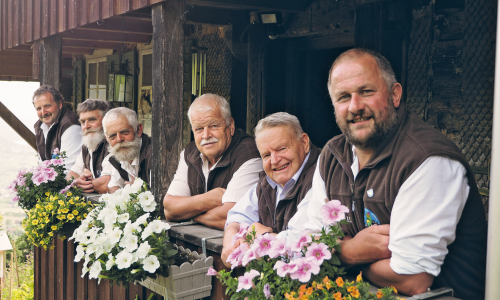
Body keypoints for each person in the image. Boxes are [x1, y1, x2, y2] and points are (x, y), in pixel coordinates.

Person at [304, 48, 486, 299]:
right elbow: (309, 240)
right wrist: (353, 251)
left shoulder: (426, 158)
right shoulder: (332, 155)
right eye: (343, 97)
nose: (355, 107)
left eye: (366, 91)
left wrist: (343, 254)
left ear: (395, 94)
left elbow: (413, 280)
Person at [221, 112, 321, 266]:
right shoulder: (267, 182)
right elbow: (236, 217)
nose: (274, 160)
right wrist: (230, 243)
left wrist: (263, 236)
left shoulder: (321, 175)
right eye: (266, 155)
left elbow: (299, 243)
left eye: (281, 148)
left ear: (304, 143)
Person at [163, 94, 263, 230]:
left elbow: (230, 216)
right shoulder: (190, 153)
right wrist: (209, 199)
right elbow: (169, 209)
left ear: (231, 126)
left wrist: (189, 214)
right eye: (199, 129)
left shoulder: (249, 154)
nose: (206, 135)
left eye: (214, 126)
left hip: (233, 248)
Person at [66, 99, 113, 194]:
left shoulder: (114, 144)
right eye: (83, 122)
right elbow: (71, 175)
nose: (86, 126)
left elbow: (106, 185)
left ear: (106, 121)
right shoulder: (87, 146)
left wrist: (80, 182)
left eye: (92, 120)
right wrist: (76, 182)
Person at [103, 107, 152, 193]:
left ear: (139, 130)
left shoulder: (154, 155)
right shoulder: (119, 154)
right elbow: (113, 186)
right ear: (107, 139)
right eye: (113, 136)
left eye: (124, 132)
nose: (119, 139)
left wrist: (139, 190)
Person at [33, 85, 82, 171]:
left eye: (47, 106)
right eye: (39, 108)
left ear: (59, 104)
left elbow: (67, 169)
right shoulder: (40, 126)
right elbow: (42, 164)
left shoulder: (71, 126)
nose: (43, 112)